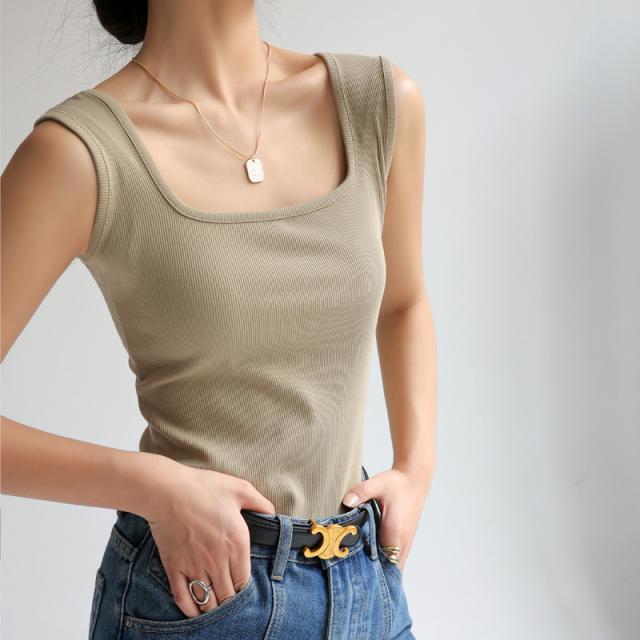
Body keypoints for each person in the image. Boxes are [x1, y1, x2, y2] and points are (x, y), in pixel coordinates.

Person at [1, 1, 436, 638]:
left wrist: (416, 469)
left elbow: (403, 302)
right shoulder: (80, 152)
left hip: (366, 585)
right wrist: (151, 485)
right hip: (202, 597)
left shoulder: (377, 101)